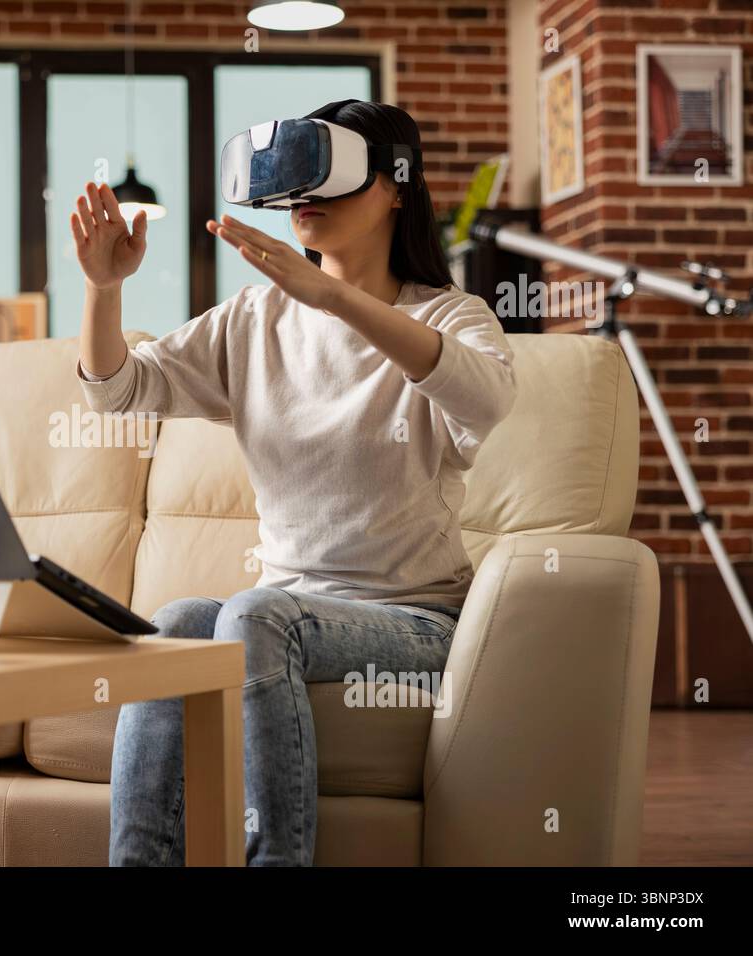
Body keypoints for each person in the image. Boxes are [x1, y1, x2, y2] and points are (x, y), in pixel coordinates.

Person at [70, 99, 518, 866]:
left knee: (254, 616)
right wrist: (104, 289)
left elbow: (488, 399)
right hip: (281, 611)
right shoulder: (254, 319)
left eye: (333, 173)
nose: (304, 197)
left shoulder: (453, 315)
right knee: (176, 622)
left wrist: (333, 298)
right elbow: (118, 392)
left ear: (398, 188)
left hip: (416, 622)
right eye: (296, 178)